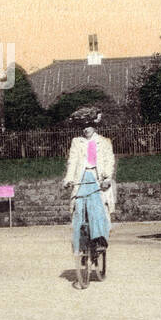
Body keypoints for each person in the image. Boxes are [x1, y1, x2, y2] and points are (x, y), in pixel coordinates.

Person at [63, 111, 116, 261]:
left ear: (94, 126)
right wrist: (68, 179)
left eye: (89, 126)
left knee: (96, 206)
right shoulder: (77, 142)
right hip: (81, 178)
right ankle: (80, 245)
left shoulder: (104, 142)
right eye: (83, 126)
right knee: (78, 209)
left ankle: (99, 238)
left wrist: (107, 178)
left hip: (97, 178)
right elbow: (72, 162)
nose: (86, 129)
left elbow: (109, 161)